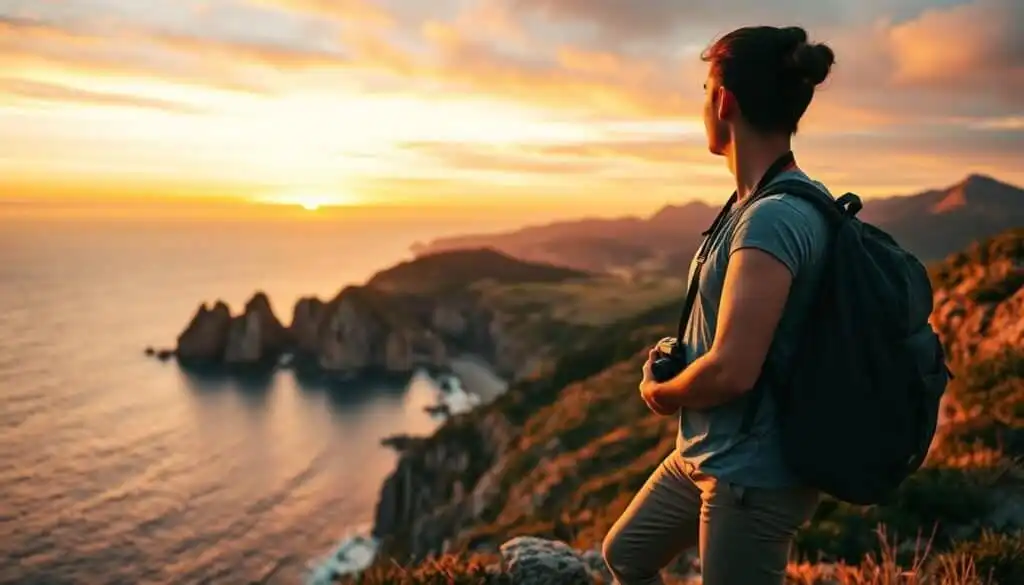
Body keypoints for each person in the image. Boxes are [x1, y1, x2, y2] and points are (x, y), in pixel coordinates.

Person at [602, 25, 837, 585]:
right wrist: (683, 353)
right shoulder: (753, 205)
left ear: (724, 100)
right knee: (627, 554)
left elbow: (733, 370)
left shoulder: (774, 217)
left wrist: (662, 393)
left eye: (705, 90)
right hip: (710, 452)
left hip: (752, 474)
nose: (703, 104)